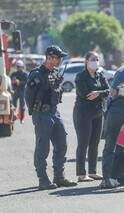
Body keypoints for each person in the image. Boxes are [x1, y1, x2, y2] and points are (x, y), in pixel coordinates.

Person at [25, 45, 77, 190]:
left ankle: (59, 177)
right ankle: (43, 179)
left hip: (54, 112)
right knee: (43, 147)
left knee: (62, 143)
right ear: (50, 58)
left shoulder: (55, 72)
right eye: (58, 57)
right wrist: (35, 111)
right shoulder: (36, 74)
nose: (60, 60)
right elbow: (28, 96)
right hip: (42, 114)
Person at [73, 51, 109, 182]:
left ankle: (92, 171)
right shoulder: (80, 76)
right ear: (86, 61)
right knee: (83, 143)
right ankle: (82, 174)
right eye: (93, 59)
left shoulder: (100, 75)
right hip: (83, 113)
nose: (95, 61)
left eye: (97, 59)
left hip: (98, 112)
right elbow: (85, 94)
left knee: (95, 142)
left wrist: (98, 93)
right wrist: (99, 93)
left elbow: (108, 90)